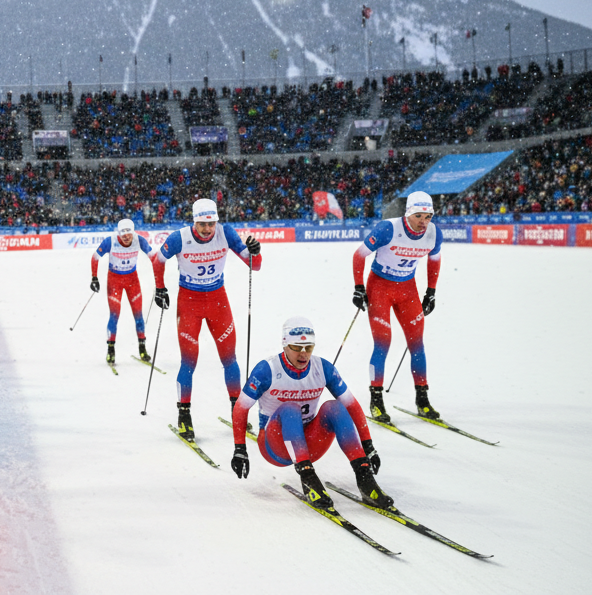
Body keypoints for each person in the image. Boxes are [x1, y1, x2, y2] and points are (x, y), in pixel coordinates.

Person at [229, 317, 391, 511]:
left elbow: (352, 405)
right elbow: (241, 408)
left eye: (309, 347)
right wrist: (240, 449)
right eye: (297, 347)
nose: (303, 353)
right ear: (285, 344)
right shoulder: (267, 369)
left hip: (309, 444)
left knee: (335, 407)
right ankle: (308, 478)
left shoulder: (322, 368)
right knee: (290, 408)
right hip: (275, 446)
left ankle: (364, 477)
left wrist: (368, 446)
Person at [155, 198, 261, 441]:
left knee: (229, 358)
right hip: (189, 302)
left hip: (217, 301)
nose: (207, 229)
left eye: (211, 223)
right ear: (194, 221)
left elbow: (255, 266)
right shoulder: (179, 238)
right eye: (202, 224)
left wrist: (255, 251)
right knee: (189, 361)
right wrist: (160, 288)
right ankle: (184, 415)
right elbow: (158, 260)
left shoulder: (226, 233)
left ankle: (237, 410)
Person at [352, 190, 444, 423]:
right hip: (379, 289)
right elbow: (359, 255)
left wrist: (431, 292)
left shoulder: (434, 233)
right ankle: (376, 401)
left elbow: (434, 260)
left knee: (417, 344)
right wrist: (359, 287)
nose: (423, 222)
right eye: (418, 216)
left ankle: (422, 400)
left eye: (428, 216)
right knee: (383, 343)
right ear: (408, 213)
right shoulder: (388, 228)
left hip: (407, 291)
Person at [90, 218, 165, 366]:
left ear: (133, 232)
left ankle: (142, 349)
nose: (126, 237)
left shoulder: (139, 240)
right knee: (114, 315)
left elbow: (154, 258)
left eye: (129, 234)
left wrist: (159, 279)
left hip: (132, 281)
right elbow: (95, 257)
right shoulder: (110, 241)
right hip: (114, 281)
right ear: (118, 233)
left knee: (138, 315)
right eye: (123, 234)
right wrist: (94, 278)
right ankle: (111, 350)